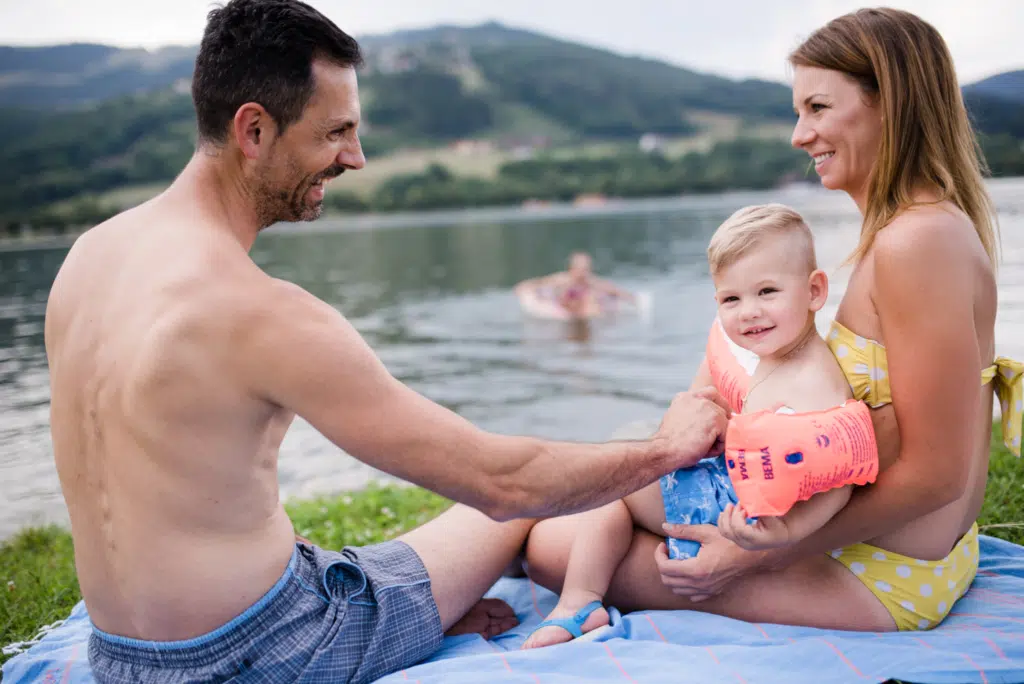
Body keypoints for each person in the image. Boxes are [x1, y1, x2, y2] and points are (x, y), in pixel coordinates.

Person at [42, 1, 730, 682]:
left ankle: (422, 605)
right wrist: (668, 448)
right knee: (501, 522)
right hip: (260, 653)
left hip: (119, 656)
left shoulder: (89, 258)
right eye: (336, 131)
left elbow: (187, 490)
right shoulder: (260, 312)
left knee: (368, 555)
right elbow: (503, 482)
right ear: (254, 129)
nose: (357, 157)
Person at [525, 7, 1023, 634]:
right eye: (798, 112)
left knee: (550, 546)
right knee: (569, 511)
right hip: (882, 546)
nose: (798, 134)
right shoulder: (916, 231)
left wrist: (744, 558)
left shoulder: (916, 244)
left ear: (887, 104)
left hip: (882, 574)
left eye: (817, 108)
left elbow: (936, 475)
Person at [522, 204, 862, 648]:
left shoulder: (815, 381)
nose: (749, 312)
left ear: (815, 291)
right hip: (733, 493)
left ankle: (579, 605)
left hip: (741, 518)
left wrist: (787, 533)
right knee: (622, 465)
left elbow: (839, 477)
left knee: (618, 481)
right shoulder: (770, 356)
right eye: (731, 299)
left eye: (767, 292)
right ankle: (572, 586)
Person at [514, 251, 636, 319]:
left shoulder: (590, 281)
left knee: (592, 299)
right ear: (572, 268)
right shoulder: (562, 279)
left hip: (584, 311)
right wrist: (524, 287)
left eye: (586, 269)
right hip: (564, 307)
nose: (583, 272)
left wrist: (630, 298)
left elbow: (611, 289)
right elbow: (539, 283)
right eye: (581, 269)